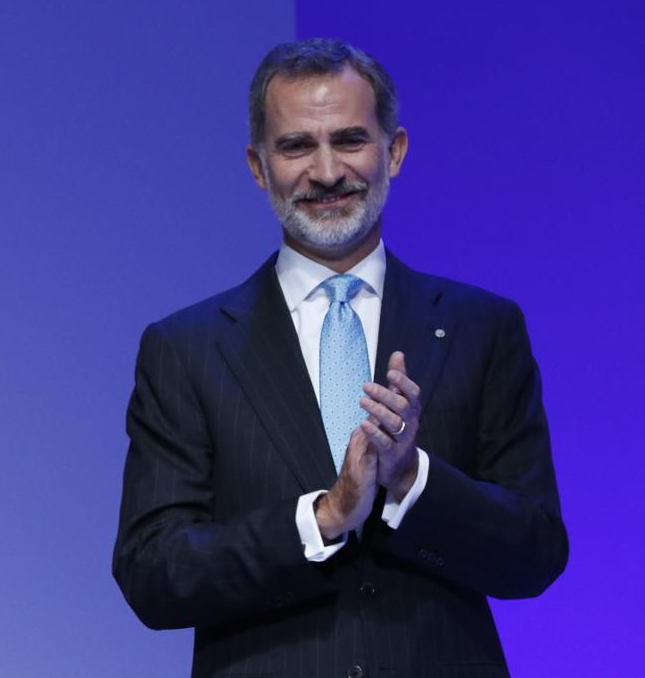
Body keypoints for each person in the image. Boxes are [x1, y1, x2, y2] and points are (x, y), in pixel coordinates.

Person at [112, 38, 567, 677]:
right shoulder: (187, 348)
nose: (327, 173)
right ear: (256, 165)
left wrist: (413, 481)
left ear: (395, 152)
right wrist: (323, 516)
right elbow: (153, 572)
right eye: (296, 146)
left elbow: (536, 553)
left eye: (350, 140)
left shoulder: (481, 328)